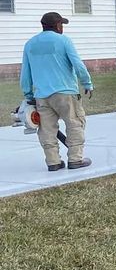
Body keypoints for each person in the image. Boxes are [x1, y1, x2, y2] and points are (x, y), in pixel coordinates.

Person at [20, 11, 93, 171]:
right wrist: (87, 83)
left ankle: (53, 162)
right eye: (62, 25)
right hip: (65, 93)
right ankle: (75, 160)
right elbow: (78, 64)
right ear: (57, 26)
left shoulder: (30, 44)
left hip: (42, 96)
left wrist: (28, 94)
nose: (63, 28)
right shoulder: (64, 41)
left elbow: (25, 73)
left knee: (46, 129)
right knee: (74, 124)